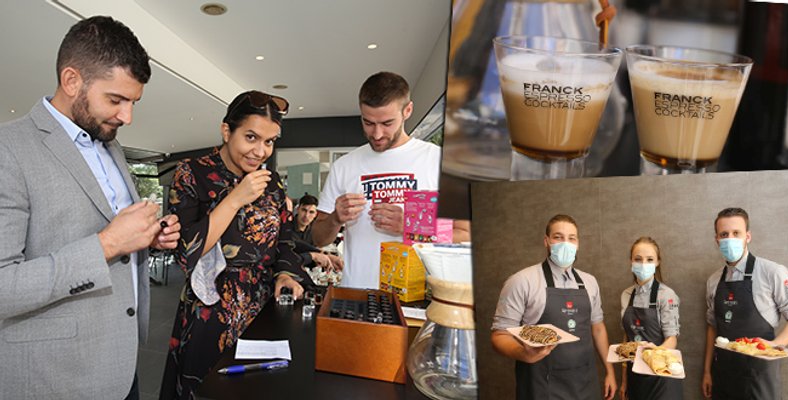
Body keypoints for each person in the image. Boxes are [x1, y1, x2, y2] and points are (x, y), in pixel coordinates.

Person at [0, 16, 180, 399]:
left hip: (123, 361)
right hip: (57, 376)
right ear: (71, 81)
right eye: (115, 99)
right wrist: (108, 245)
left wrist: (148, 237)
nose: (127, 116)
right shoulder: (8, 149)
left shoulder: (110, 144)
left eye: (133, 102)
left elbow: (106, 230)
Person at [159, 90, 305, 399]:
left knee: (256, 389)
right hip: (211, 311)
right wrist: (235, 199)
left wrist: (285, 274)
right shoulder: (192, 172)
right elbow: (185, 252)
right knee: (206, 389)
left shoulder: (272, 183)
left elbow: (286, 239)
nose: (260, 151)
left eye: (269, 141)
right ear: (227, 131)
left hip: (262, 307)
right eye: (251, 137)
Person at [312, 71, 469, 289]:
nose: (376, 134)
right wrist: (335, 219)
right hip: (356, 294)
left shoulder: (438, 160)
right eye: (368, 123)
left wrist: (411, 226)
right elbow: (319, 239)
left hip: (417, 301)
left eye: (387, 123)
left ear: (408, 111)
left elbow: (465, 234)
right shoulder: (344, 166)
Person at [491, 214, 616, 400]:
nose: (566, 243)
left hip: (585, 383)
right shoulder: (522, 281)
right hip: (542, 386)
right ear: (546, 241)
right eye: (558, 237)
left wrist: (610, 371)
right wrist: (524, 354)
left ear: (578, 243)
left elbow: (597, 328)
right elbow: (499, 336)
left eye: (571, 238)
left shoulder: (590, 282)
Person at [702, 207, 788, 400]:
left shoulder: (773, 272)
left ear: (748, 236)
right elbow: (713, 327)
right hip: (723, 375)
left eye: (736, 233)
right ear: (717, 240)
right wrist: (707, 371)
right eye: (724, 234)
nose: (730, 239)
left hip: (760, 377)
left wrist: (773, 346)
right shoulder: (713, 280)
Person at [619, 237, 682, 400]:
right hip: (635, 377)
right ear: (631, 262)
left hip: (662, 377)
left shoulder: (666, 295)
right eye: (638, 259)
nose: (643, 264)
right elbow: (627, 340)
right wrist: (624, 381)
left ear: (657, 262)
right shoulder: (626, 295)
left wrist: (653, 353)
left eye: (649, 259)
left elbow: (672, 339)